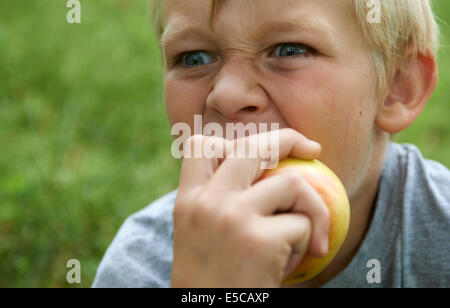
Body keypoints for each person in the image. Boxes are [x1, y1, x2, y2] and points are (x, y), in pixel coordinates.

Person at [92, 0, 450, 288]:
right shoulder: (142, 268)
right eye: (193, 58)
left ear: (397, 86)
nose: (227, 94)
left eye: (288, 49)